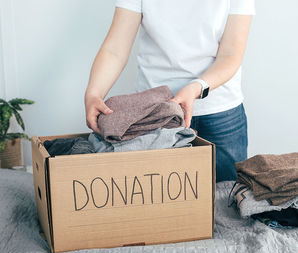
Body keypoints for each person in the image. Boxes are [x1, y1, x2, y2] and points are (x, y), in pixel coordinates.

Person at [84, 0, 255, 183]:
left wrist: (196, 87)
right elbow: (115, 50)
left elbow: (230, 55)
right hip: (154, 114)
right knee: (159, 204)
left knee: (225, 200)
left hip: (220, 113)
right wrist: (94, 93)